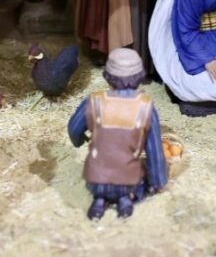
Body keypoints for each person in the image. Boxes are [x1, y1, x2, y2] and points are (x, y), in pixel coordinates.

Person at [67, 48, 167, 220]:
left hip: (95, 179)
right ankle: (124, 202)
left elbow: (73, 128)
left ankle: (99, 201)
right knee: (133, 182)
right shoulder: (145, 106)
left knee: (100, 187)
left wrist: (79, 141)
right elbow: (155, 152)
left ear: (108, 76)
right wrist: (158, 181)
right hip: (129, 181)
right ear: (140, 76)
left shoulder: (94, 100)